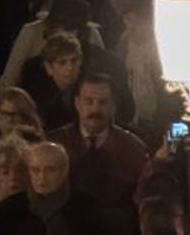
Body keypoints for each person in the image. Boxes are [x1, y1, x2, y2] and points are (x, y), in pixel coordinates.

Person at [49, 73, 146, 235]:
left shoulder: (133, 149)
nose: (95, 109)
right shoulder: (56, 144)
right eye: (89, 102)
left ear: (113, 106)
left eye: (103, 102)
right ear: (77, 104)